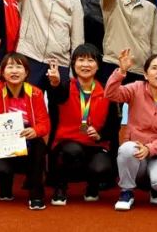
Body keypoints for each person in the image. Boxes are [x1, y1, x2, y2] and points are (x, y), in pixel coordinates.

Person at [0, 31, 50, 210]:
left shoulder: (35, 93)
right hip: (3, 145)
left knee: (39, 144)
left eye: (19, 67)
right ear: (2, 72)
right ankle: (5, 184)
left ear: (26, 73)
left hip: (28, 143)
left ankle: (36, 194)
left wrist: (35, 131)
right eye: (9, 67)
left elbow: (45, 123)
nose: (14, 71)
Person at [106, 50, 157, 211]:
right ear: (146, 75)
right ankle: (126, 191)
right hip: (135, 150)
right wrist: (121, 72)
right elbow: (111, 94)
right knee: (126, 149)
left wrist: (149, 149)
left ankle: (154, 188)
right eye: (154, 68)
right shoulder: (136, 88)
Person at [45, 44, 118, 205]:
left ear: (98, 65)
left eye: (91, 60)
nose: (85, 64)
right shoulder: (65, 87)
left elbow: (114, 126)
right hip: (67, 144)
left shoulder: (106, 92)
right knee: (72, 152)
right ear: (73, 64)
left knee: (102, 168)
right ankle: (60, 187)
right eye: (81, 60)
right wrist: (55, 84)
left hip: (95, 145)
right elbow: (56, 97)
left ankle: (92, 185)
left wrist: (100, 135)